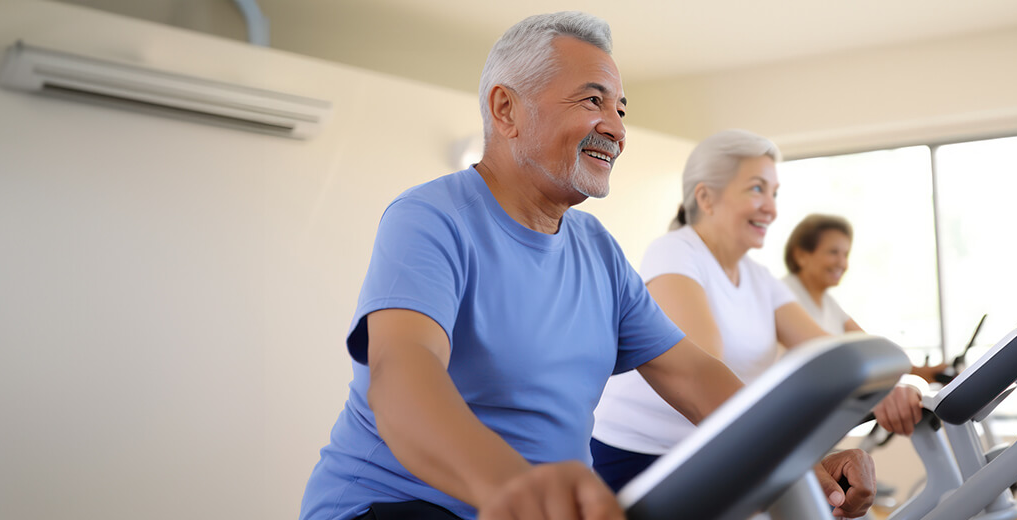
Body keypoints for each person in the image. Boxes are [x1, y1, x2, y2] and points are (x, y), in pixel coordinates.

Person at [298, 13, 874, 520]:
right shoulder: (430, 218)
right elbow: (403, 375)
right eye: (593, 100)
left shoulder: (595, 249)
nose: (617, 129)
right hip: (398, 506)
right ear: (506, 109)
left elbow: (696, 379)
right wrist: (518, 487)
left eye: (620, 108)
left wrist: (806, 460)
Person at [590, 131, 925, 494]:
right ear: (706, 197)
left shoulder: (759, 278)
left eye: (774, 193)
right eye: (756, 189)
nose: (771, 207)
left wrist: (885, 385)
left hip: (719, 454)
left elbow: (826, 350)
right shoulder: (674, 253)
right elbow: (703, 374)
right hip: (641, 460)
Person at [781, 215, 948, 386]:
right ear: (801, 255)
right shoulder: (784, 295)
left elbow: (870, 347)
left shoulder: (828, 302)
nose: (842, 263)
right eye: (833, 252)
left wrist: (924, 373)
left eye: (845, 254)